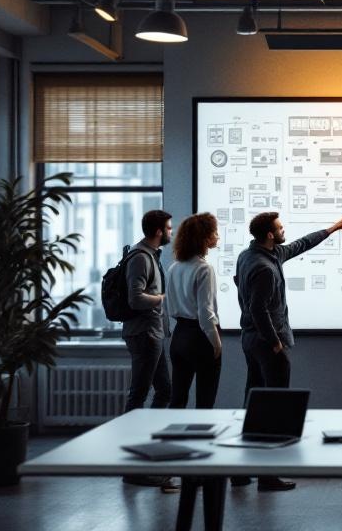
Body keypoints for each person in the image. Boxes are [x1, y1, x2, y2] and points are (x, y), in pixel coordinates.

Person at [233, 208, 342, 492]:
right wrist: (275, 343)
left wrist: (333, 228)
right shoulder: (264, 267)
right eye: (280, 227)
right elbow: (258, 308)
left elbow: (301, 244)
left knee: (252, 403)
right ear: (269, 234)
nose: (284, 229)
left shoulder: (255, 255)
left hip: (250, 340)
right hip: (266, 343)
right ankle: (267, 476)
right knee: (274, 408)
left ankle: (238, 472)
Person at [122, 209, 177, 491]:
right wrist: (164, 298)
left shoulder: (150, 256)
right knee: (138, 396)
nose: (171, 232)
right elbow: (135, 299)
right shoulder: (141, 258)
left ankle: (150, 455)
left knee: (164, 391)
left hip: (153, 334)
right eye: (168, 228)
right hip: (144, 335)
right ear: (158, 231)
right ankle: (133, 467)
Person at [166, 213, 223, 410]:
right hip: (201, 338)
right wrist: (216, 343)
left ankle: (171, 439)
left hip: (179, 336)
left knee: (177, 399)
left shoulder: (174, 267)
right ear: (205, 238)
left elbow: (169, 306)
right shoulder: (204, 268)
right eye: (215, 232)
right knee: (205, 401)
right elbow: (206, 313)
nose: (218, 236)